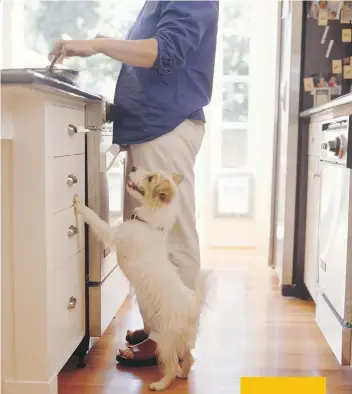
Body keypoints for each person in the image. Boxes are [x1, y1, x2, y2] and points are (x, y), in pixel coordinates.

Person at [51, 0, 219, 366]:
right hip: (153, 125)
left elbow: (163, 51)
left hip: (166, 124)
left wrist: (98, 44)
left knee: (172, 236)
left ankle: (173, 341)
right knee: (150, 239)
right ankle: (160, 326)